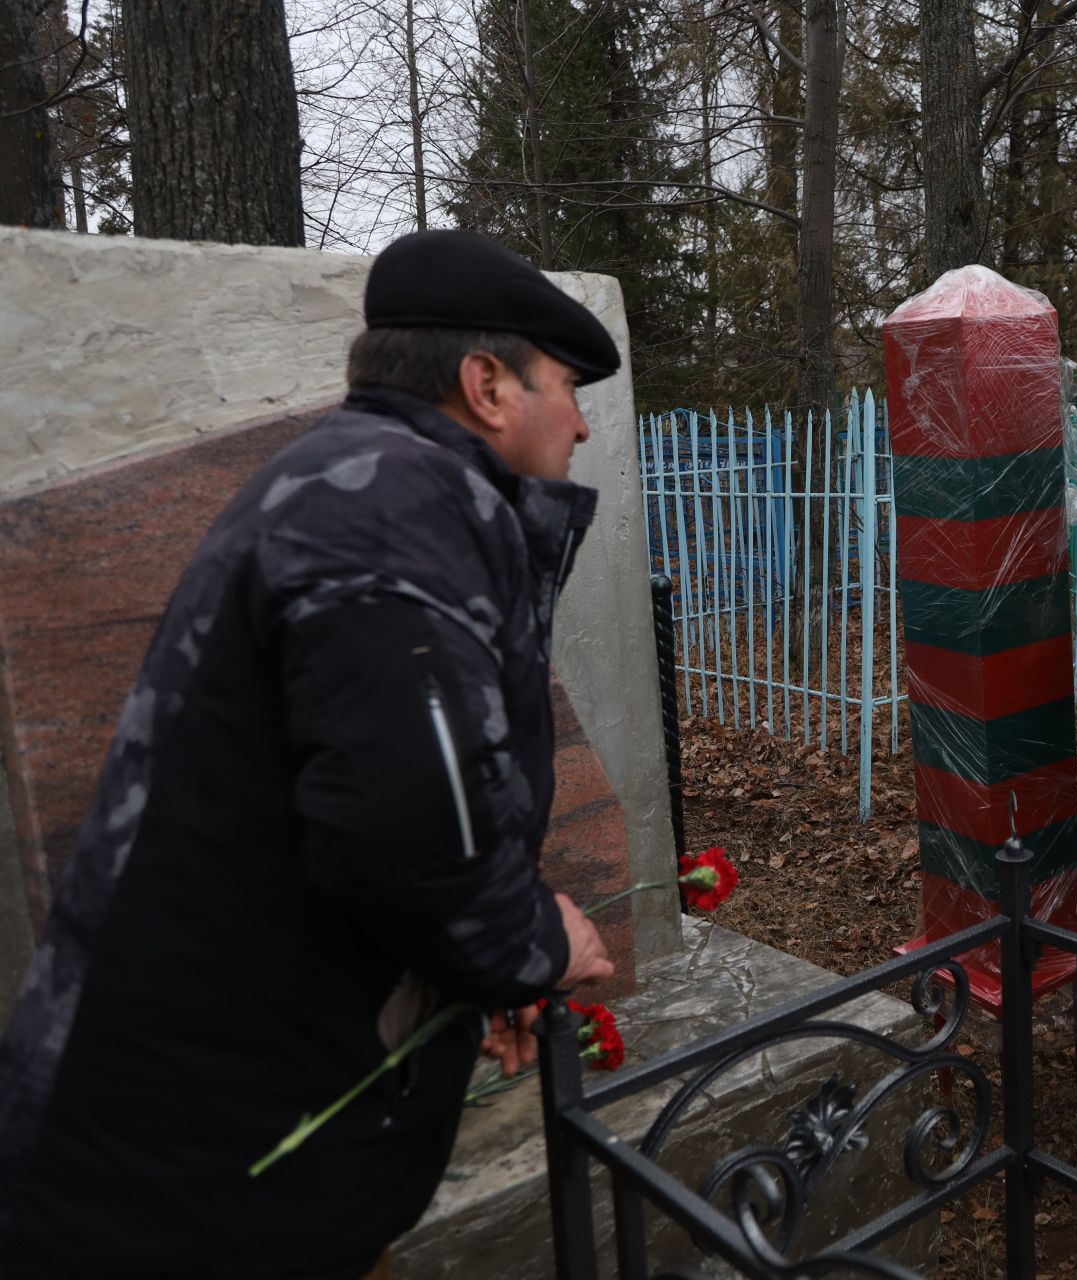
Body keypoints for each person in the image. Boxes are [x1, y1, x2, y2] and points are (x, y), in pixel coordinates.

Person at [0, 229, 623, 1278]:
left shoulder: (366, 482)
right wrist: (527, 945)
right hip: (189, 1187)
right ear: (486, 384)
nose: (582, 415)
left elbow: (398, 779)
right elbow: (404, 816)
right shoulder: (389, 505)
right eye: (562, 383)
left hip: (215, 1143)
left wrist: (474, 959)